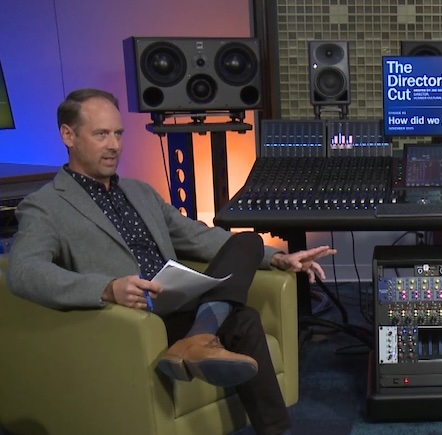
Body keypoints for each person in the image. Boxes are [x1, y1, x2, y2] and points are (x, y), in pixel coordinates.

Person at [5, 88, 335, 435]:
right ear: (68, 135)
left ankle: (199, 341)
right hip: (131, 316)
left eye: (118, 134)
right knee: (244, 320)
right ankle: (206, 347)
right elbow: (24, 271)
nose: (114, 145)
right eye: (101, 134)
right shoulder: (45, 206)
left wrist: (280, 258)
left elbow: (197, 236)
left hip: (176, 298)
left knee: (248, 242)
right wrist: (107, 288)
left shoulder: (139, 191)